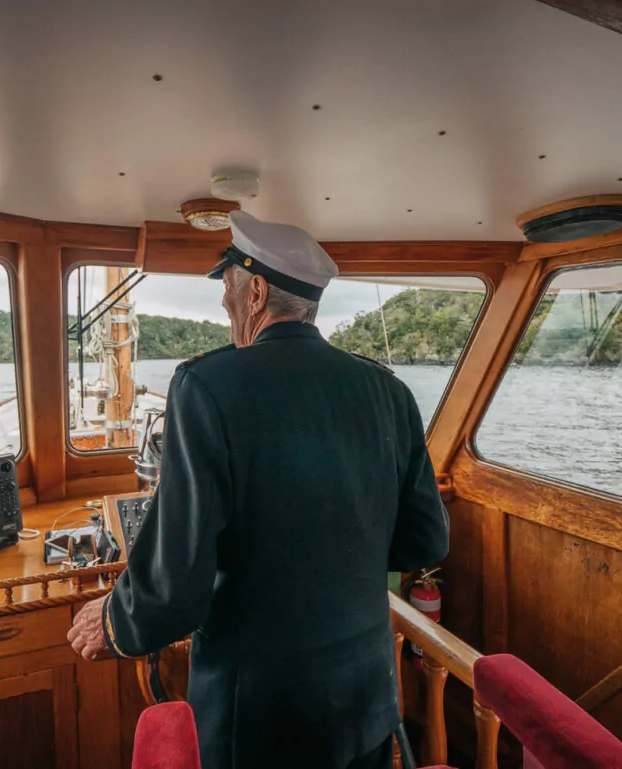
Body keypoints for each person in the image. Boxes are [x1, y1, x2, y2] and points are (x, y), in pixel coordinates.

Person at [68, 210, 449, 769]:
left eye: (228, 286)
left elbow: (179, 577)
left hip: (260, 714)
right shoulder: (388, 392)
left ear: (256, 292)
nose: (225, 303)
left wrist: (115, 621)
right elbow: (425, 542)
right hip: (366, 699)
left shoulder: (206, 387)